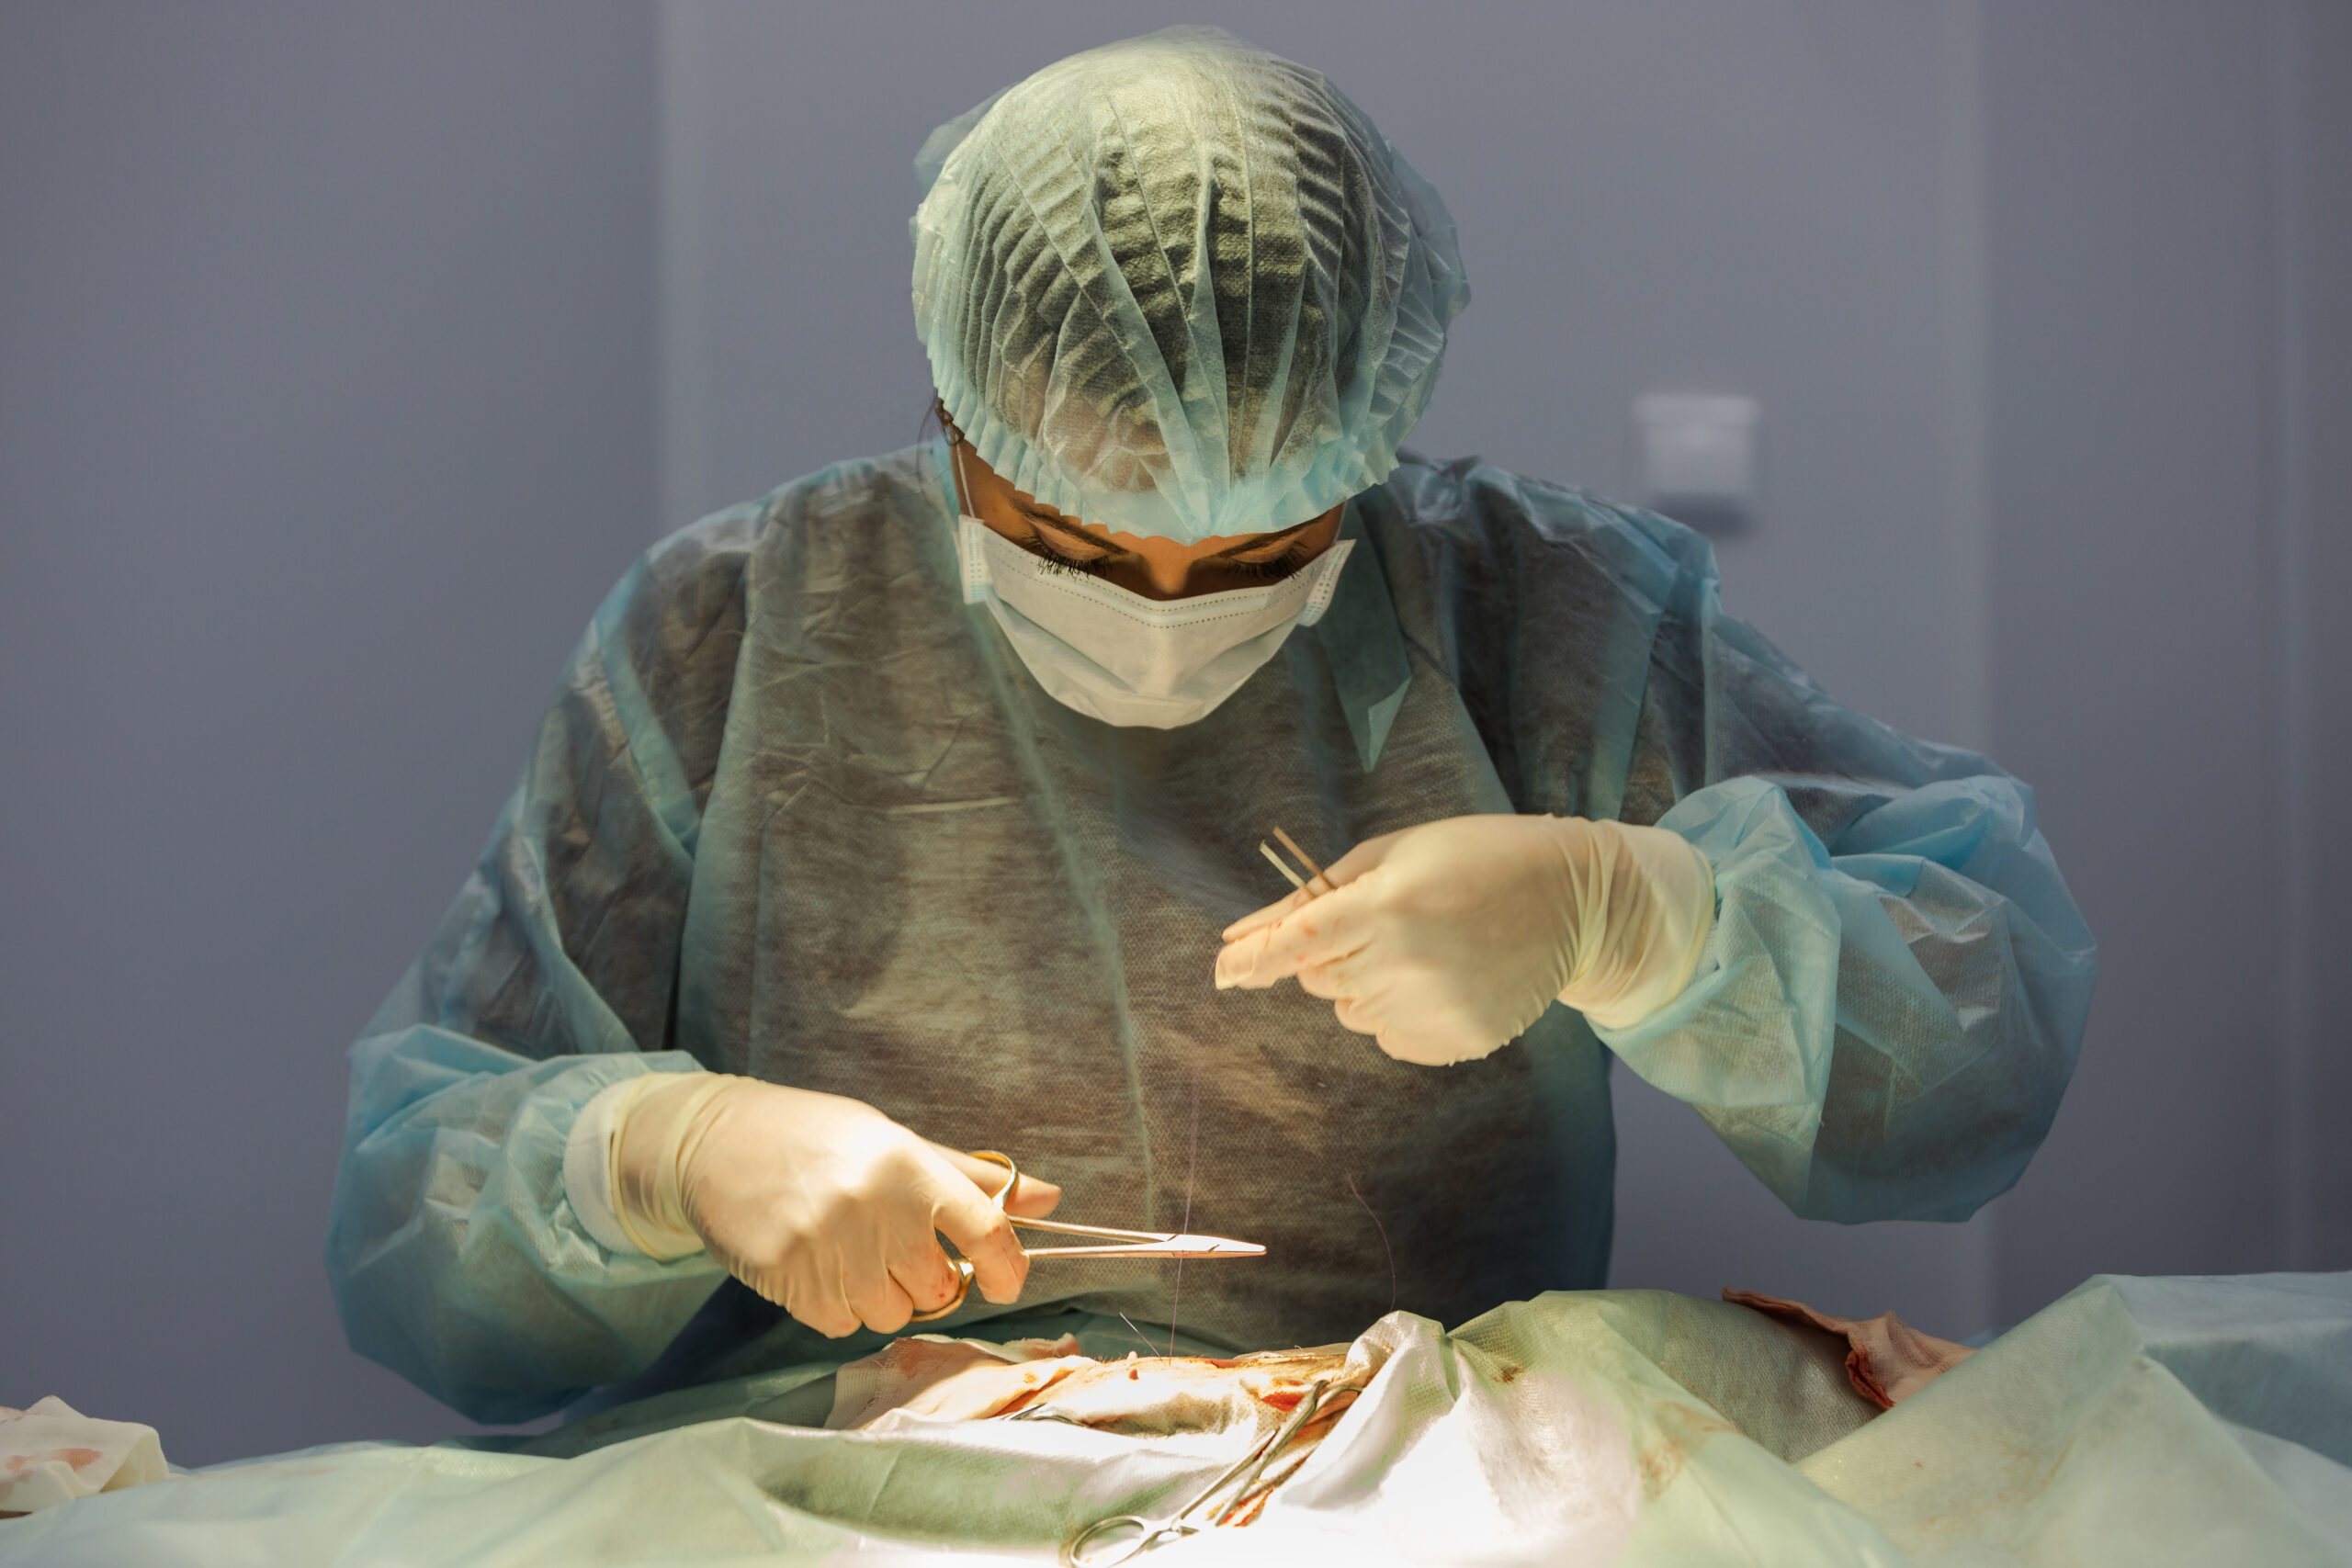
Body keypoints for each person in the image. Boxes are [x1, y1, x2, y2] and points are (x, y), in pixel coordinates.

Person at [325, 27, 2096, 1426]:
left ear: (1363, 459)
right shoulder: (729, 632)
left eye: (1260, 548)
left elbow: (1973, 1036)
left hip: (1400, 1485)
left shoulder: (1548, 618)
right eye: (1080, 545)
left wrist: (1639, 915)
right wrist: (660, 1157)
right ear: (955, 420)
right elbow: (424, 1219)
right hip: (834, 1492)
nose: (1165, 617)